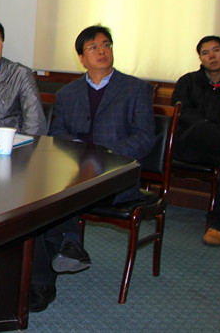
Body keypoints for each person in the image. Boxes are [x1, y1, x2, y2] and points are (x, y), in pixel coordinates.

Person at [40, 24, 155, 312]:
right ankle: (45, 277)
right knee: (40, 198)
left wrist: (104, 156)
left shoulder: (136, 88)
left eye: (106, 45)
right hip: (74, 172)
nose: (102, 51)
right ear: (81, 58)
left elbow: (144, 138)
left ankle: (65, 246)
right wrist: (81, 154)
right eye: (93, 47)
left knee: (63, 196)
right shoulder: (67, 93)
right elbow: (57, 134)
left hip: (116, 176)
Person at [171, 35, 220, 246]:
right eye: (205, 53)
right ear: (200, 59)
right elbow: (183, 115)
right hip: (190, 145)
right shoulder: (187, 82)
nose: (211, 56)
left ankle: (218, 226)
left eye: (216, 50)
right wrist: (211, 126)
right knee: (202, 127)